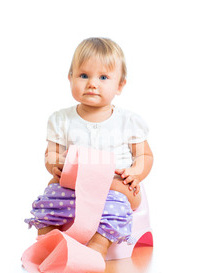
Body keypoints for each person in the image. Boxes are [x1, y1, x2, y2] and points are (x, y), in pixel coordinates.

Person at [25, 37, 153, 259]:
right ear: (70, 77)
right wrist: (55, 163)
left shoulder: (128, 121)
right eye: (84, 75)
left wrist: (136, 172)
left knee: (119, 203)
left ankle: (96, 248)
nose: (92, 83)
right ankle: (47, 243)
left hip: (114, 186)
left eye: (103, 77)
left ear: (120, 85)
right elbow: (51, 153)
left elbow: (145, 155)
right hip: (73, 184)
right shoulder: (61, 119)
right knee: (49, 197)